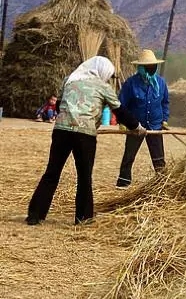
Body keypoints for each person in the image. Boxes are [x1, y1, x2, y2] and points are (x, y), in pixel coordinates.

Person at [26, 56, 145, 225]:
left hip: (61, 131)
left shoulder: (70, 79)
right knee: (84, 176)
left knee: (52, 172)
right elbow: (120, 111)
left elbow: (60, 104)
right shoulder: (103, 87)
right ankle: (83, 217)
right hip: (84, 135)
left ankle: (35, 214)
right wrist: (136, 127)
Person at [115, 49, 170, 189]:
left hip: (155, 125)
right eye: (147, 66)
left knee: (158, 157)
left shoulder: (161, 83)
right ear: (140, 67)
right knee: (129, 155)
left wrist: (164, 118)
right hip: (135, 126)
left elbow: (165, 102)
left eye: (152, 66)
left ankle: (162, 183)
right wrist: (122, 122)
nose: (151, 69)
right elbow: (122, 104)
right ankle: (123, 182)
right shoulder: (131, 84)